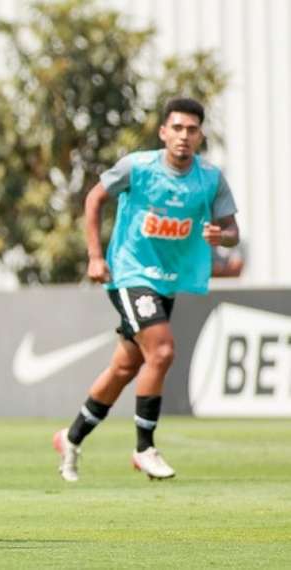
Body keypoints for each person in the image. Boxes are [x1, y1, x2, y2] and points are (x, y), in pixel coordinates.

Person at [53, 97, 239, 482]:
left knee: (126, 367)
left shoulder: (210, 178)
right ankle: (144, 447)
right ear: (163, 132)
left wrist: (222, 236)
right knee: (164, 350)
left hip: (167, 283)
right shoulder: (137, 167)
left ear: (200, 135)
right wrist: (94, 256)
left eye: (191, 129)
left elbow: (232, 230)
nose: (184, 136)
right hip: (129, 273)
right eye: (177, 128)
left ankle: (70, 439)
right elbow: (94, 198)